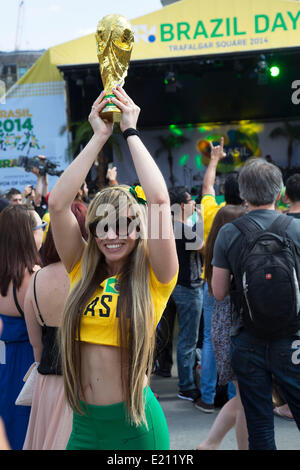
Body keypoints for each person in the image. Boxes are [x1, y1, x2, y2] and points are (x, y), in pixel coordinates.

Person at [48, 87, 178, 450]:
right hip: (86, 427)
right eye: (102, 226)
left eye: (124, 225)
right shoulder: (82, 270)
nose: (113, 235)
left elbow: (158, 199)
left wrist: (130, 131)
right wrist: (99, 136)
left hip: (136, 427)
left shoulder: (155, 277)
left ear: (140, 229)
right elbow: (58, 204)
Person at [211, 158, 300, 450]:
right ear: (280, 193)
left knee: (260, 427)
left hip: (247, 340)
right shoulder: (296, 229)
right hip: (293, 340)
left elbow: (219, 292)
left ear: (244, 195)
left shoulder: (228, 233)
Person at [23, 201, 88, 450]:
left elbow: (36, 345)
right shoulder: (96, 277)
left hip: (49, 383)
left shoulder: (37, 278)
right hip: (89, 383)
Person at [196, 205, 248, 450]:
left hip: (221, 333)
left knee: (243, 399)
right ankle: (212, 442)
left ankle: (210, 442)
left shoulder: (215, 252)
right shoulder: (231, 256)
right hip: (232, 334)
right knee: (245, 399)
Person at [196, 141, 243, 413]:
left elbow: (206, 189)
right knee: (238, 339)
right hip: (240, 289)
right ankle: (238, 396)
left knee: (210, 339)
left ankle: (208, 396)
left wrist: (214, 160)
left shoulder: (215, 211)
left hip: (211, 284)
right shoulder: (250, 216)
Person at [0, 205, 43, 449]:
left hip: (2, 358)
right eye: (41, 227)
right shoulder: (35, 277)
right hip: (27, 362)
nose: (44, 232)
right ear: (27, 234)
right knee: (25, 428)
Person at [169, 188, 204, 402]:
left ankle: (186, 380)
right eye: (191, 201)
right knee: (188, 339)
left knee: (185, 338)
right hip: (188, 287)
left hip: (175, 286)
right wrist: (200, 218)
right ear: (182, 206)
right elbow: (200, 244)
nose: (194, 204)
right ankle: (187, 386)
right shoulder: (182, 228)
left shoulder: (168, 226)